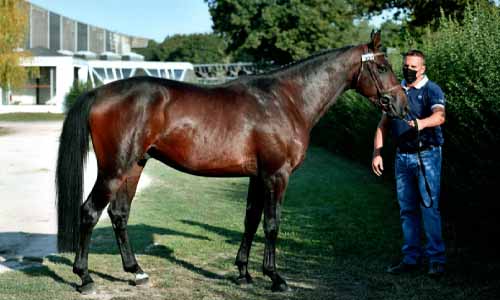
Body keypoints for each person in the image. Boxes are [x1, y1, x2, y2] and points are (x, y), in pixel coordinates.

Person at [371, 50, 446, 277]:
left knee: (429, 208)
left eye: (413, 67)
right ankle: (410, 259)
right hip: (402, 157)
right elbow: (383, 125)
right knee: (406, 210)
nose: (408, 70)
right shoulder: (397, 90)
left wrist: (421, 124)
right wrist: (377, 153)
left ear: (422, 69)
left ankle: (436, 260)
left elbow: (440, 116)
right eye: (405, 66)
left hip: (428, 156)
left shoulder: (432, 90)